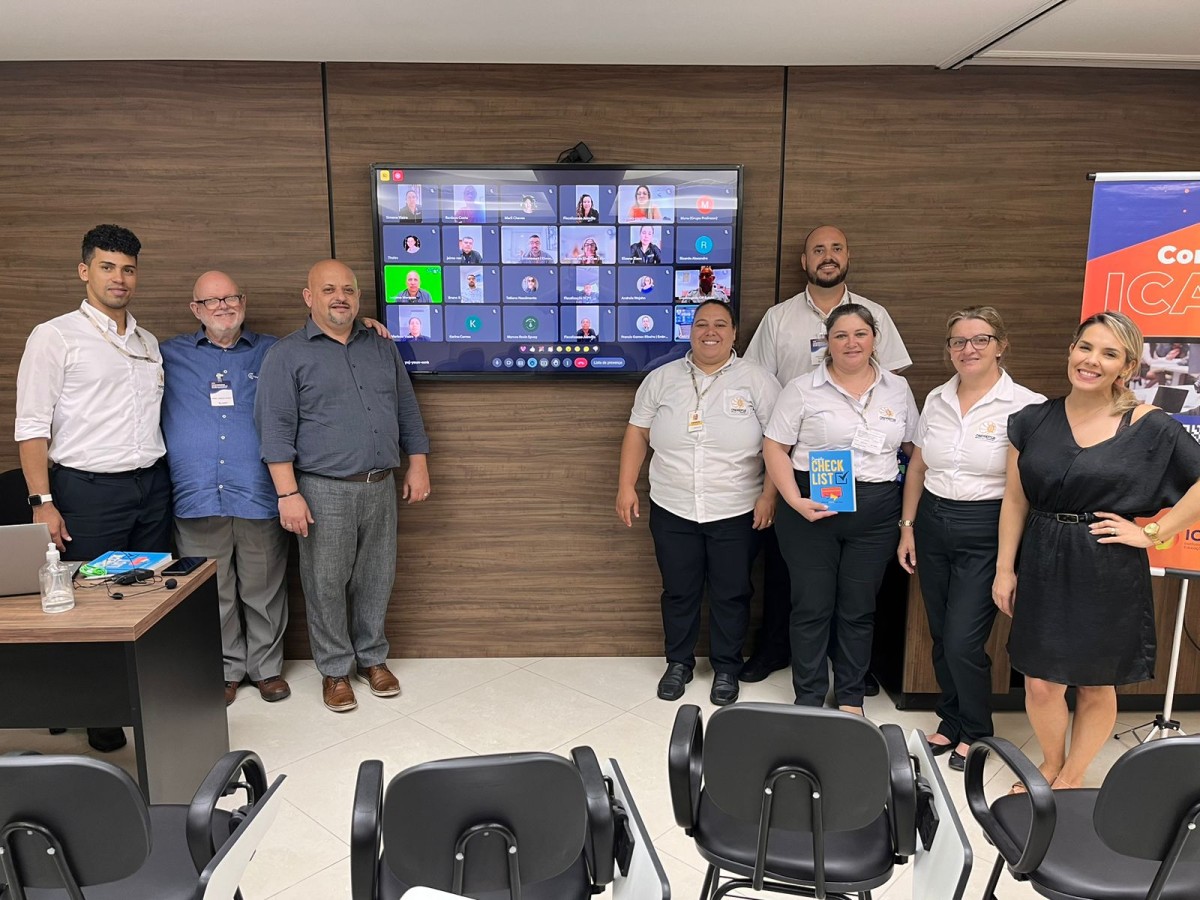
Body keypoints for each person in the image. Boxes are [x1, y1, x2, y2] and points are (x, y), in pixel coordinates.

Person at [993, 311, 1200, 790]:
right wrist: (1005, 569)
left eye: (1109, 353)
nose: (1091, 360)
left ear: (1127, 367)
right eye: (1085, 347)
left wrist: (1152, 533)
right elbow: (1015, 499)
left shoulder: (1149, 424)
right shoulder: (1031, 420)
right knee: (1040, 680)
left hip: (1106, 563)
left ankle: (1072, 775)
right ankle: (1050, 763)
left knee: (1094, 680)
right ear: (1071, 350)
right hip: (1042, 555)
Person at [15, 224, 169, 753]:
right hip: (87, 490)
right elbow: (31, 426)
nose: (118, 278)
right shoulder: (54, 336)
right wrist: (42, 502)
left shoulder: (147, 342)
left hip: (151, 486)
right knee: (94, 601)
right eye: (107, 267)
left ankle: (139, 696)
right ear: (85, 271)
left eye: (128, 269)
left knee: (145, 593)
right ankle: (99, 711)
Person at [255, 259, 431, 713]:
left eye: (348, 290)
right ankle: (335, 670)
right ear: (308, 297)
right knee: (326, 583)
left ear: (358, 297)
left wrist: (417, 463)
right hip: (322, 489)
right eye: (329, 289)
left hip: (380, 485)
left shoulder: (381, 346)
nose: (340, 297)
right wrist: (288, 494)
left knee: (377, 578)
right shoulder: (287, 355)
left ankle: (372, 659)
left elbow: (407, 409)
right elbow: (275, 430)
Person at [741, 224, 911, 685]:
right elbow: (757, 387)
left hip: (869, 481)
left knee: (859, 593)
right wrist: (776, 490)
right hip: (796, 464)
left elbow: (893, 397)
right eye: (818, 249)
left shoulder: (876, 315)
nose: (828, 256)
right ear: (805, 261)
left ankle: (852, 671)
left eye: (836, 248)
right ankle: (780, 654)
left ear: (848, 256)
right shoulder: (778, 318)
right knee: (795, 581)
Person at [896, 307, 1045, 770]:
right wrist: (907, 527)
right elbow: (918, 467)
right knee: (942, 634)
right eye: (958, 341)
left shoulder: (1026, 406)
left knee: (963, 639)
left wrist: (1006, 565)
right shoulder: (937, 398)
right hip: (933, 522)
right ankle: (951, 719)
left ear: (1001, 345)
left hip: (988, 527)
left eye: (980, 339)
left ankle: (978, 731)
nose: (968, 349)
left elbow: (1023, 491)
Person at [617, 299, 781, 706]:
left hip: (737, 507)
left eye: (720, 324)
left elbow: (777, 443)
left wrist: (769, 495)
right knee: (679, 590)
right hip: (672, 504)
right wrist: (626, 486)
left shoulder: (758, 380)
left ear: (734, 333)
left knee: (732, 592)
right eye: (701, 324)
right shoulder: (661, 378)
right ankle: (679, 663)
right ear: (689, 331)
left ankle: (726, 668)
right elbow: (637, 432)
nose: (711, 332)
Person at [762, 303, 917, 713]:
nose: (851, 343)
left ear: (874, 339)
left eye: (860, 334)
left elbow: (913, 451)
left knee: (858, 608)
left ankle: (850, 697)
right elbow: (774, 447)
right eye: (841, 335)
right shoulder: (802, 388)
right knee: (811, 606)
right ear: (827, 342)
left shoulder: (897, 388)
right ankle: (810, 697)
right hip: (810, 508)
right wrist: (792, 499)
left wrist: (908, 521)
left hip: (876, 512)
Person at [161, 271, 293, 707]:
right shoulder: (166, 355)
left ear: (243, 301)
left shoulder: (274, 351)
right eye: (211, 301)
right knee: (211, 592)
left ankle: (267, 669)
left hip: (258, 491)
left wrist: (365, 325)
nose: (222, 307)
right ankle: (225, 670)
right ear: (195, 309)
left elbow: (323, 346)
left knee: (264, 588)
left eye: (230, 298)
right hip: (196, 494)